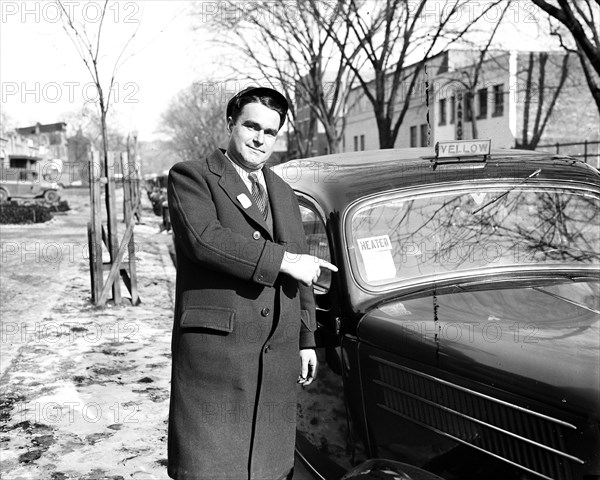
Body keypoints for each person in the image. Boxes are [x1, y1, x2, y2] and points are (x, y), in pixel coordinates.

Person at [167, 86, 337, 480]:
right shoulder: (192, 176)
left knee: (269, 467)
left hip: (276, 352)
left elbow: (304, 266)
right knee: (211, 466)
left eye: (270, 132)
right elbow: (204, 240)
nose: (260, 139)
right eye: (251, 126)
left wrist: (306, 338)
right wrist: (285, 261)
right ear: (231, 123)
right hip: (217, 356)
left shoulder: (282, 191)